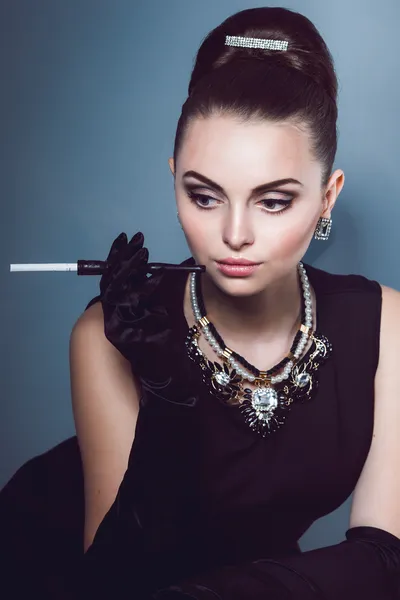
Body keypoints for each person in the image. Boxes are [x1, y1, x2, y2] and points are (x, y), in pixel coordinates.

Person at [2, 5, 400, 599]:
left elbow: (382, 559)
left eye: (273, 201)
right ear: (174, 179)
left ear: (327, 196)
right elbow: (114, 581)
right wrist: (166, 402)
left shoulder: (386, 326)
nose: (234, 233)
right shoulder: (111, 334)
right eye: (205, 196)